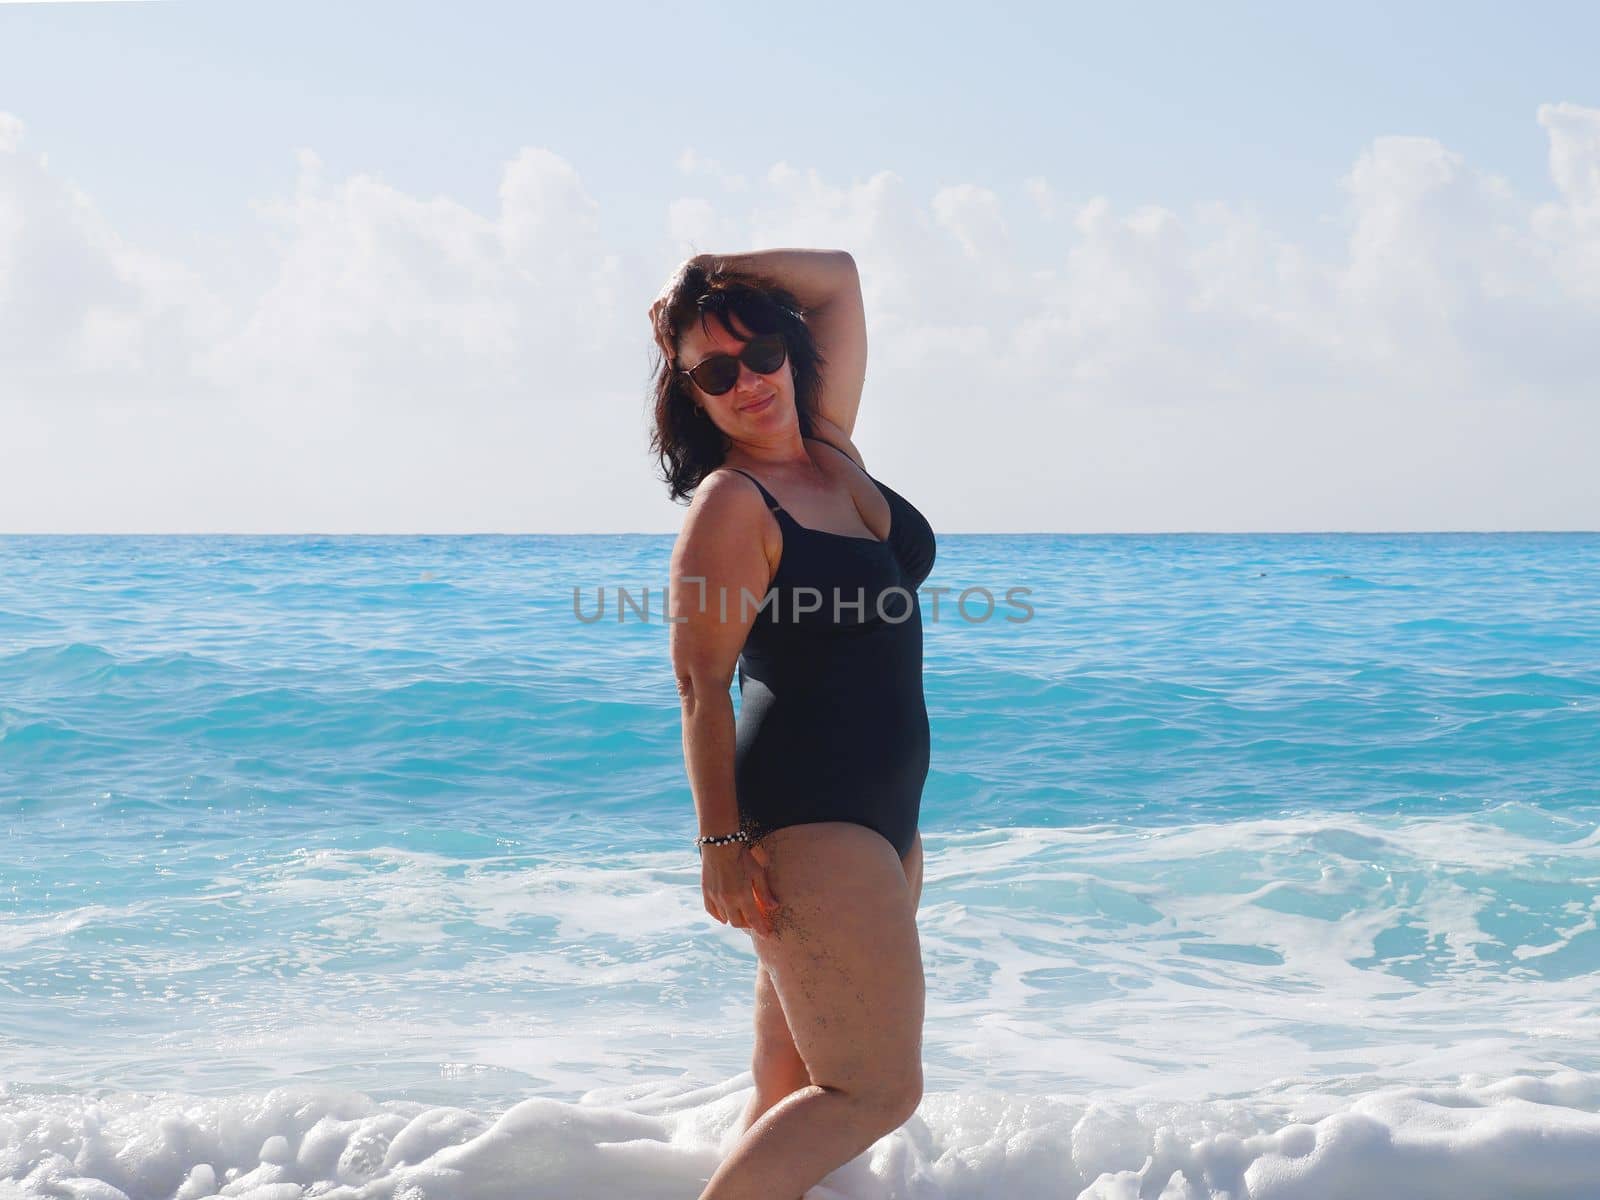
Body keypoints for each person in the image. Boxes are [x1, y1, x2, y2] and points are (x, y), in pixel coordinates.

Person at [647, 249, 938, 1199]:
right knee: (872, 1089)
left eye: (760, 352)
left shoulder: (831, 449)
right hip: (808, 823)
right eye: (715, 373)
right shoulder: (734, 504)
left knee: (790, 1080)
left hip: (884, 816)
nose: (748, 382)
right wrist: (720, 839)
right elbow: (700, 684)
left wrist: (703, 279)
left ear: (788, 353)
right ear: (691, 395)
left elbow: (844, 278)